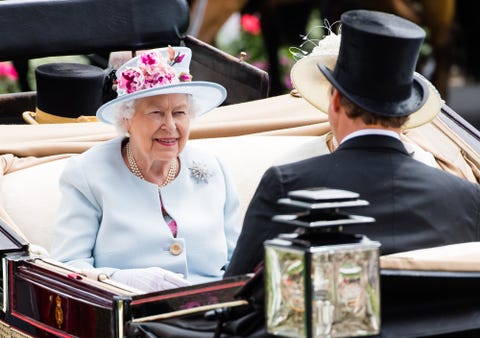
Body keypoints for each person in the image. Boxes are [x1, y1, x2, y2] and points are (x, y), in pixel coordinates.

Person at [225, 9, 480, 277]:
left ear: (334, 102)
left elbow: (235, 291)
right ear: (406, 115)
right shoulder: (466, 197)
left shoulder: (288, 185)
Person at [50, 46, 241, 291]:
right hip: (131, 316)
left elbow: (239, 259)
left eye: (179, 112)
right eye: (156, 113)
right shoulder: (86, 173)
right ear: (126, 120)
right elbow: (66, 266)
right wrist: (119, 280)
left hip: (215, 315)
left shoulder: (214, 167)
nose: (170, 126)